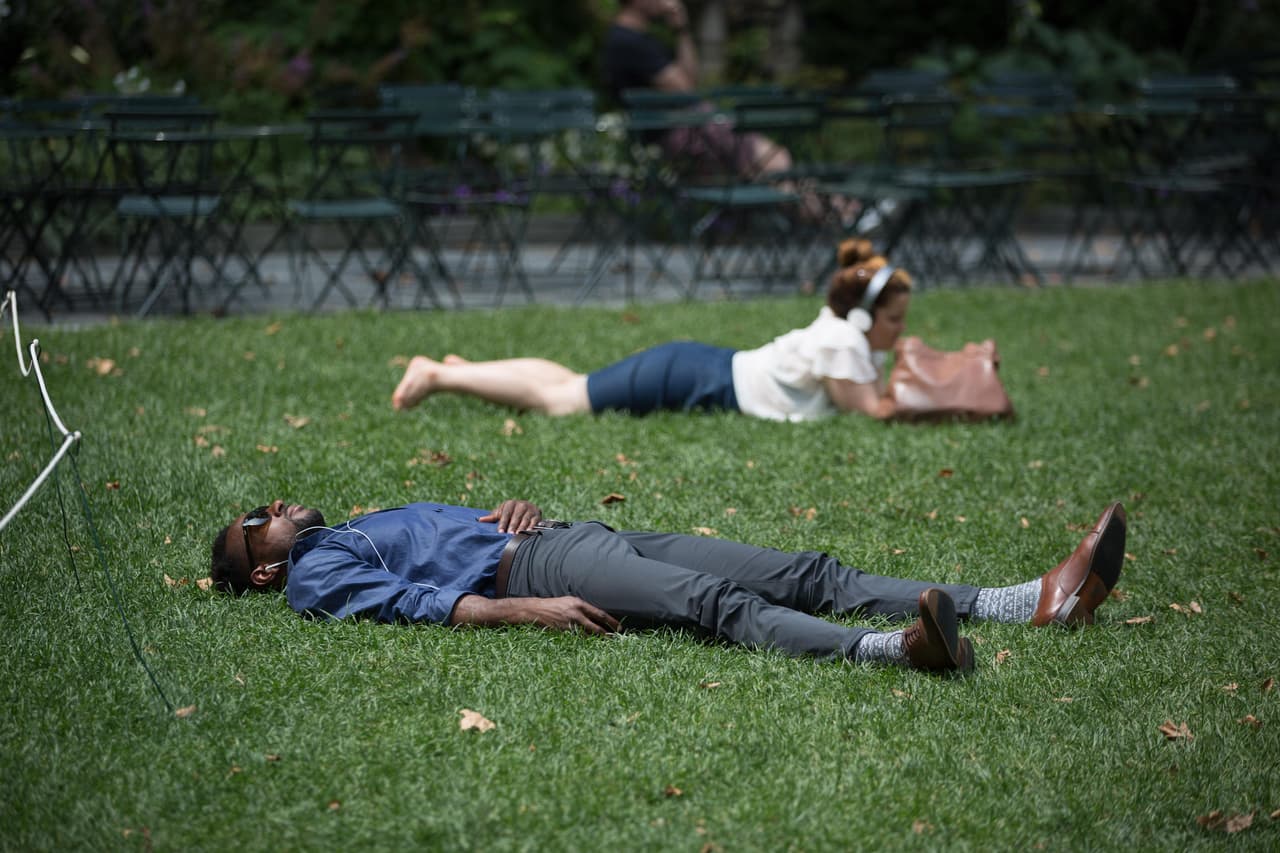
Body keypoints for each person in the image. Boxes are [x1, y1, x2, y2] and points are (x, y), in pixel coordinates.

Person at [208, 497, 1128, 675]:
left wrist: (506, 505)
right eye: (262, 517)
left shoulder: (349, 530)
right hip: (543, 570)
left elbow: (430, 547)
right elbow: (420, 602)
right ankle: (896, 648)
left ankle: (1028, 601)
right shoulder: (313, 576)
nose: (278, 504)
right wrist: (525, 606)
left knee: (805, 571)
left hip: (566, 533)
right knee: (710, 603)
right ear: (263, 566)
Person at [391, 240, 907, 422]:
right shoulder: (841, 342)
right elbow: (873, 410)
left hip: (695, 368)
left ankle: (471, 373)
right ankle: (437, 375)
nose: (901, 330)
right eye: (894, 320)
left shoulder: (843, 332)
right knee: (563, 400)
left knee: (574, 381)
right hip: (691, 376)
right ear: (863, 316)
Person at [600, 0, 791, 180]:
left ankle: (805, 210)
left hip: (693, 127)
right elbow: (687, 91)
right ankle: (813, 213)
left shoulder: (639, 39)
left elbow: (691, 80)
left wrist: (681, 30)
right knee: (776, 163)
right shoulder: (629, 43)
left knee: (765, 174)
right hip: (685, 133)